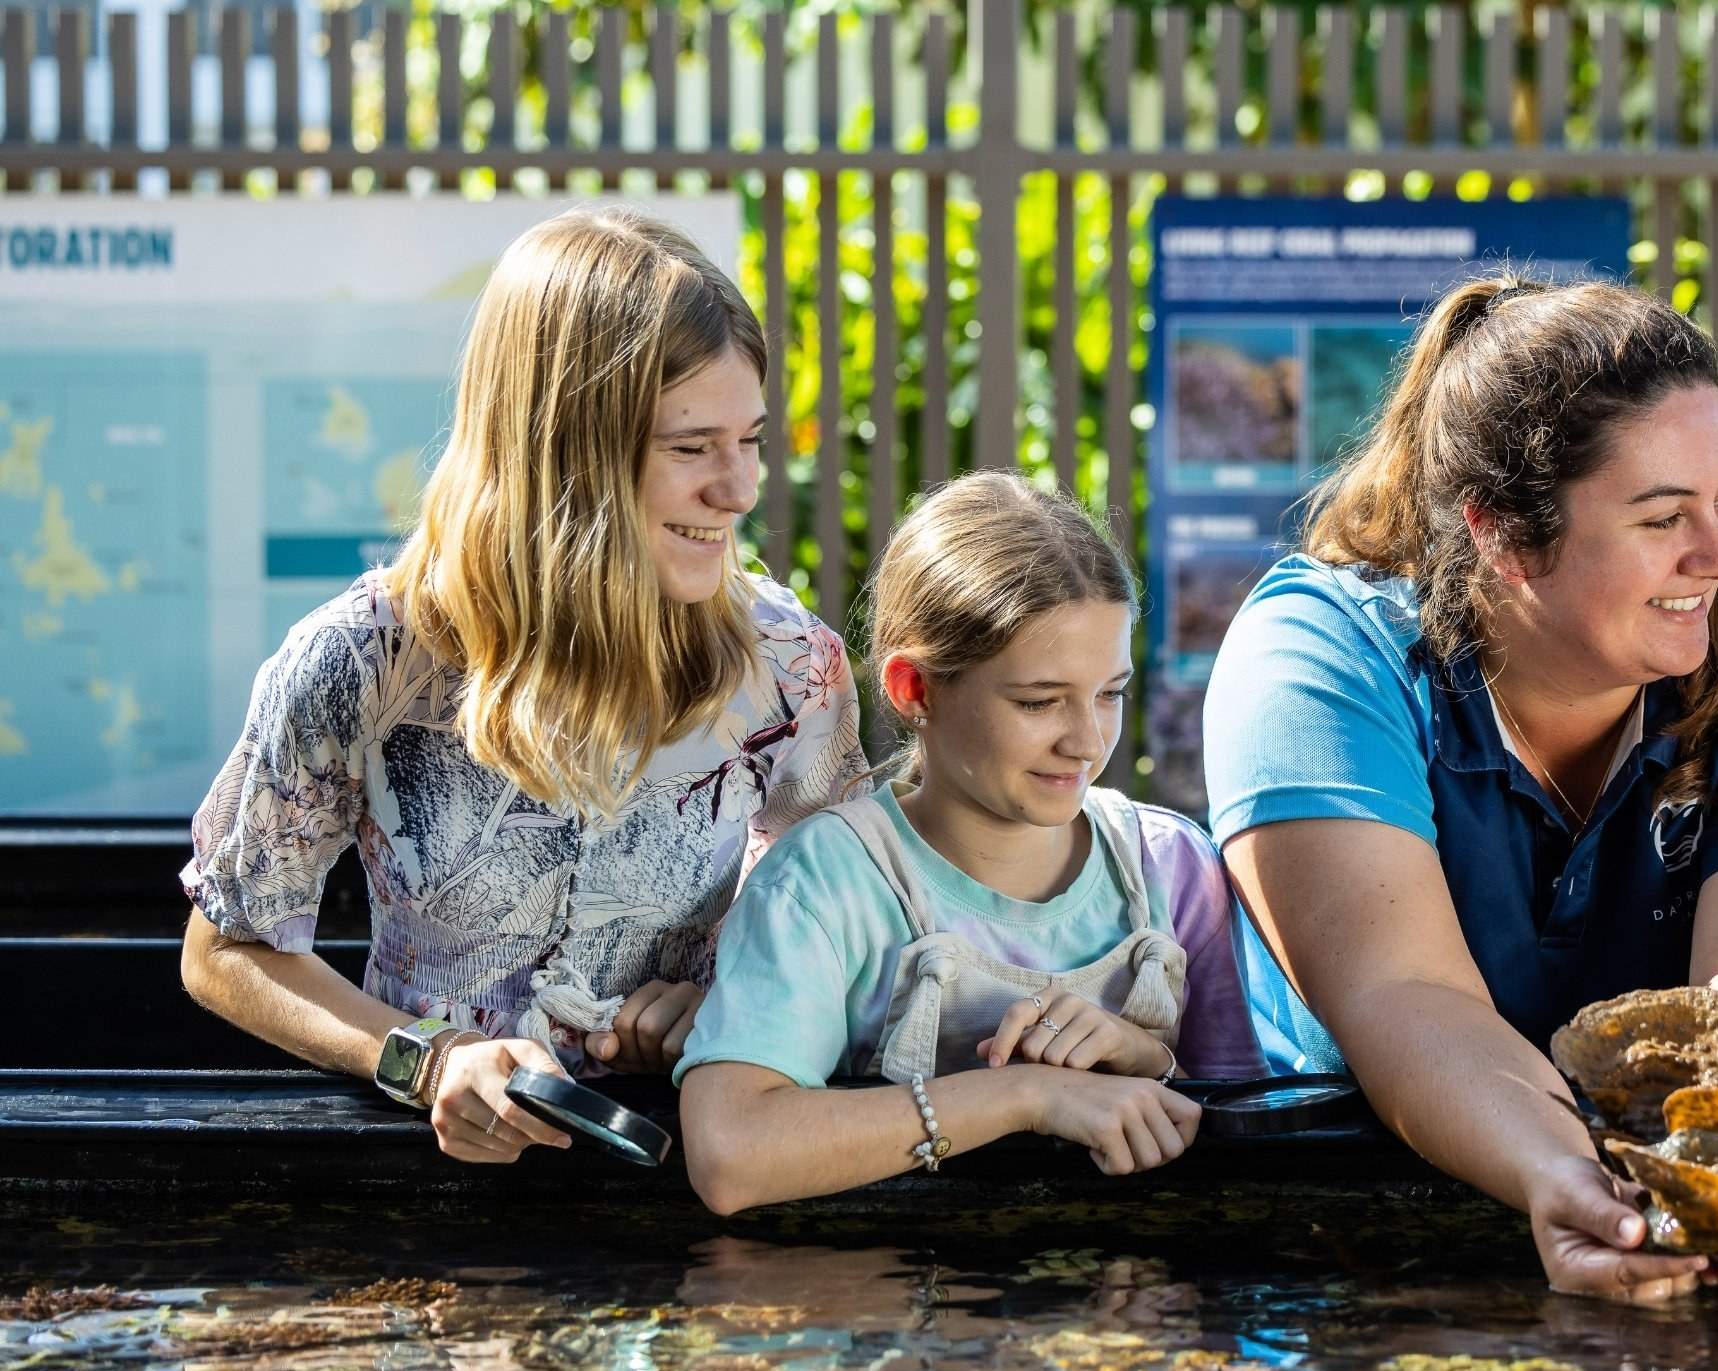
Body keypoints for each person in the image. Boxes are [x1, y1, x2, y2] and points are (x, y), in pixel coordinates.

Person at [1202, 275, 1718, 1303]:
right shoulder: (1318, 655)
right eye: (1663, 517)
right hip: (1333, 1225)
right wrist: (1572, 1183)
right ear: (1505, 535)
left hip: (1612, 1181)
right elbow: (1402, 992)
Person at [179, 207, 866, 1164]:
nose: (739, 488)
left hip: (686, 1185)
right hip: (430, 1194)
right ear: (563, 451)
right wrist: (427, 1059)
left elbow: (843, 941)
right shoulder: (363, 658)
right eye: (690, 447)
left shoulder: (793, 669)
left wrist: (727, 1002)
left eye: (748, 439)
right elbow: (226, 950)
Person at [677, 472, 1262, 1214]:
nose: (1087, 741)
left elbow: (1251, 1125)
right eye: (1039, 702)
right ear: (914, 690)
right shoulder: (826, 882)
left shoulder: (1170, 865)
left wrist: (1146, 1057)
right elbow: (731, 1153)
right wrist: (1025, 1096)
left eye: (1110, 693)